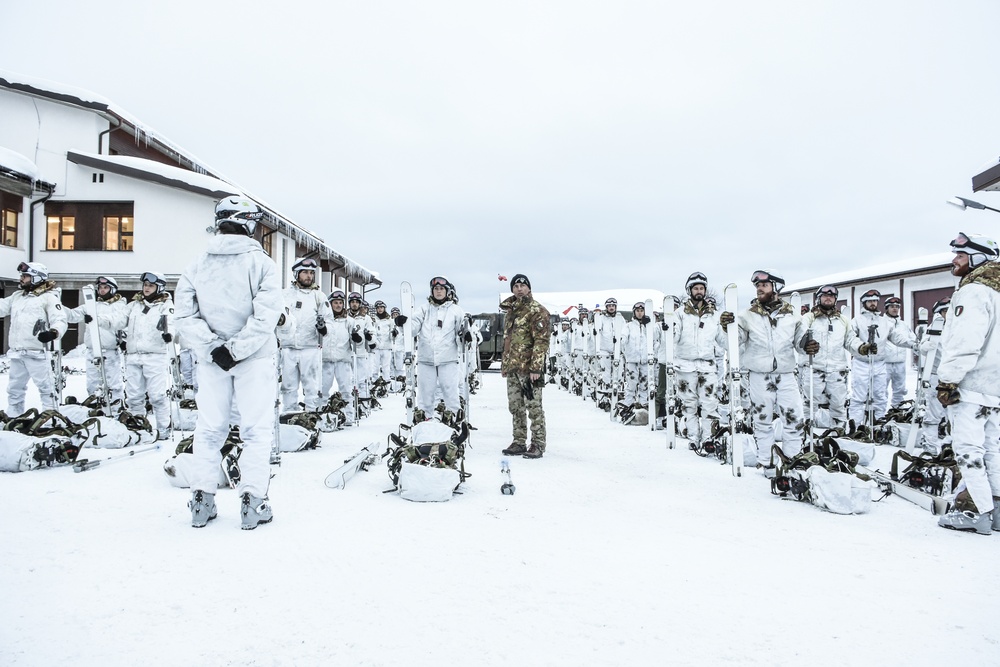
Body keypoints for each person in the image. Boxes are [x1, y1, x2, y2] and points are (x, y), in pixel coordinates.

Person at [174, 195, 283, 530]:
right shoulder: (262, 264)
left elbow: (184, 315)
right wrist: (236, 349)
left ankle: (202, 501)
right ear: (246, 222)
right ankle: (253, 502)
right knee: (256, 431)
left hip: (211, 362)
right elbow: (267, 316)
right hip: (254, 359)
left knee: (208, 430)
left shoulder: (196, 264)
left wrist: (213, 348)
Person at [934, 232, 1000, 534]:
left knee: (967, 450)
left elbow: (964, 342)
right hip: (994, 387)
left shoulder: (973, 292)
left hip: (969, 385)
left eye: (960, 255)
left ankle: (977, 512)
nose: (954, 260)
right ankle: (995, 509)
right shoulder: (997, 292)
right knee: (991, 450)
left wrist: (948, 380)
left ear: (977, 258)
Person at [720, 269, 808, 466]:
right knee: (762, 421)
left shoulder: (792, 315)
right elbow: (735, 342)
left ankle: (792, 462)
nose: (759, 289)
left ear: (775, 289)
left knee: (794, 419)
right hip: (759, 376)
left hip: (786, 374)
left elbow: (800, 343)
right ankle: (766, 462)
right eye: (758, 286)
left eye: (764, 285)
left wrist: (808, 345)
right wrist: (728, 327)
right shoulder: (747, 316)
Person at [394, 276, 468, 425]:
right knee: (425, 395)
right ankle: (425, 422)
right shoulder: (424, 309)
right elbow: (413, 328)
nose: (438, 291)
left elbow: (463, 333)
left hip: (448, 360)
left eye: (441, 289)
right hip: (426, 359)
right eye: (436, 289)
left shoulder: (456, 311)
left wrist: (466, 334)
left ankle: (454, 421)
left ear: (447, 291)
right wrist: (403, 324)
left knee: (450, 392)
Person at [0, 262, 67, 414]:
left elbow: (60, 319)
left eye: (25, 276)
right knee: (14, 389)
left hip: (37, 353)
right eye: (22, 276)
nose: (21, 279)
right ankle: (14, 416)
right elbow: (2, 307)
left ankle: (51, 417)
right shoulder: (18, 296)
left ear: (37, 278)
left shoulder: (49, 297)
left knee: (46, 387)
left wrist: (53, 332)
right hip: (18, 352)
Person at [499, 274, 551, 458]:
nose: (519, 288)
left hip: (529, 370)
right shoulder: (511, 312)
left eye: (523, 285)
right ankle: (519, 441)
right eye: (516, 286)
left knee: (534, 407)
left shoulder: (537, 310)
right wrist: (505, 365)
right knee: (516, 407)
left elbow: (541, 341)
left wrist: (536, 368)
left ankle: (537, 444)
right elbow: (508, 340)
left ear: (529, 288)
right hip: (514, 367)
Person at [673, 272, 726, 448]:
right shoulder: (680, 314)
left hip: (707, 365)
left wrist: (731, 330)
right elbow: (674, 335)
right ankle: (693, 436)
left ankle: (708, 438)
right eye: (695, 288)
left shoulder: (714, 315)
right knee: (689, 404)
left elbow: (723, 340)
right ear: (689, 290)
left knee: (710, 402)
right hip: (685, 364)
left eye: (701, 288)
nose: (699, 291)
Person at [848, 289, 915, 428]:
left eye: (875, 301)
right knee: (859, 396)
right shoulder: (857, 321)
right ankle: (855, 425)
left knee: (880, 395)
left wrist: (913, 344)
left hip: (879, 363)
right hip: (862, 362)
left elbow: (896, 337)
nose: (873, 303)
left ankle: (878, 424)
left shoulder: (884, 321)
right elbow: (850, 339)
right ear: (864, 302)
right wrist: (861, 346)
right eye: (870, 301)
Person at [799, 285, 862, 431]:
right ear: (818, 298)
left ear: (835, 299)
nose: (828, 298)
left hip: (836, 370)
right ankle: (807, 436)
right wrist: (805, 344)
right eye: (825, 296)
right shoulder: (809, 318)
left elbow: (850, 340)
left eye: (832, 296)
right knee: (809, 405)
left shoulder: (843, 320)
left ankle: (837, 434)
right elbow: (799, 337)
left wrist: (861, 348)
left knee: (839, 405)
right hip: (813, 368)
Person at [122, 270, 175, 439]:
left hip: (155, 355)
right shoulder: (134, 305)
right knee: (134, 396)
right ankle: (139, 427)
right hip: (133, 356)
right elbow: (118, 318)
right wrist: (97, 318)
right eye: (145, 285)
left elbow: (172, 322)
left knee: (157, 396)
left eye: (151, 286)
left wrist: (169, 334)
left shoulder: (165, 305)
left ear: (158, 287)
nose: (147, 288)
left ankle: (163, 428)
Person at [64, 276, 129, 408]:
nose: (102, 290)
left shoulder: (120, 306)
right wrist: (56, 305)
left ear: (113, 289)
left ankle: (116, 406)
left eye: (105, 288)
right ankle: (94, 405)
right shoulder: (91, 305)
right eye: (100, 288)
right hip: (92, 350)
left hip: (109, 350)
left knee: (113, 382)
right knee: (92, 382)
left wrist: (125, 340)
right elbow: (71, 315)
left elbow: (124, 324)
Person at [278, 257, 328, 412]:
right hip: (288, 348)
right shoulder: (284, 295)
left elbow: (329, 321)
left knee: (312, 385)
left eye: (311, 273)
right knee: (288, 386)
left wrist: (323, 329)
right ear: (296, 274)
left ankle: (312, 415)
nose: (309, 276)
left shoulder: (319, 296)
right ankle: (289, 414)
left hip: (310, 347)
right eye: (305, 272)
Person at [321, 289, 363, 424]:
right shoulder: (325, 320)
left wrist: (357, 338)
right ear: (330, 304)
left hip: (343, 360)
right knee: (322, 389)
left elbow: (357, 340)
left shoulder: (348, 321)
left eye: (340, 303)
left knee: (346, 389)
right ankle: (321, 414)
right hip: (325, 359)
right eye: (335, 303)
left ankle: (349, 416)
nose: (338, 305)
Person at [916, 297, 950, 454]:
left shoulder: (960, 327)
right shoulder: (934, 328)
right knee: (934, 413)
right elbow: (922, 346)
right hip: (936, 375)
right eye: (945, 311)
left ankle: (951, 445)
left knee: (955, 414)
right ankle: (930, 446)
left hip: (955, 377)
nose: (948, 314)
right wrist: (925, 347)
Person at [619, 301, 653, 422]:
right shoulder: (629, 326)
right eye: (637, 311)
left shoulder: (648, 326)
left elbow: (655, 340)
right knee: (631, 383)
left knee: (644, 384)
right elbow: (623, 337)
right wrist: (622, 347)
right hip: (632, 360)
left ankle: (643, 405)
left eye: (641, 311)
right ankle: (628, 404)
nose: (640, 313)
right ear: (634, 312)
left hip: (645, 360)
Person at [882, 296, 914, 410]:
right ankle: (879, 413)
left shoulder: (904, 325)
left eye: (897, 307)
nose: (895, 309)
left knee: (899, 389)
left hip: (900, 362)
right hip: (885, 363)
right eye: (892, 307)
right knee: (881, 390)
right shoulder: (882, 323)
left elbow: (912, 339)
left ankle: (897, 411)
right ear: (886, 308)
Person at [594, 297, 626, 411]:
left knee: (619, 372)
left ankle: (619, 394)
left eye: (613, 306)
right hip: (605, 349)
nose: (611, 307)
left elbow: (625, 331)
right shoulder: (602, 318)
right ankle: (605, 396)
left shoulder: (620, 318)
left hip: (618, 350)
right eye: (609, 306)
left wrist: (621, 341)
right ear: (606, 307)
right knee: (606, 373)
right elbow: (597, 331)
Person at [371, 300, 394, 385]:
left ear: (384, 308)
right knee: (375, 366)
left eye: (381, 307)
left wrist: (394, 334)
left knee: (386, 366)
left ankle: (386, 381)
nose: (380, 309)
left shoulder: (389, 320)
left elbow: (392, 334)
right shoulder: (373, 319)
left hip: (386, 346)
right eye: (378, 308)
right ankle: (374, 381)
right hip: (376, 346)